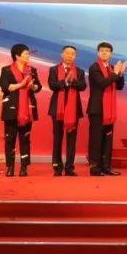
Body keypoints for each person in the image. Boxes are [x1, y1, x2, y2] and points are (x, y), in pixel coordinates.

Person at [0, 43, 41, 177]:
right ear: (17, 55)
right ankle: (10, 167)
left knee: (25, 139)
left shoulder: (32, 70)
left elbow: (38, 87)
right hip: (11, 109)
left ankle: (24, 167)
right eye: (26, 54)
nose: (28, 56)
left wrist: (32, 86)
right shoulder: (6, 70)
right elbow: (5, 87)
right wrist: (21, 85)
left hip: (27, 108)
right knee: (10, 139)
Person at [87, 42, 127, 176]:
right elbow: (102, 83)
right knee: (96, 139)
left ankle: (106, 167)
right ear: (98, 53)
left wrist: (120, 74)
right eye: (102, 50)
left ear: (111, 54)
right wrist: (115, 73)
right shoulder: (94, 67)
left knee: (107, 139)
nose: (105, 52)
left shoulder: (111, 68)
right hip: (97, 109)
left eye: (107, 51)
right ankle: (95, 168)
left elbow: (119, 86)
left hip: (109, 110)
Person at [47, 45, 86, 176]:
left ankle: (69, 168)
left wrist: (72, 81)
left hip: (73, 109)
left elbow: (83, 86)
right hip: (57, 109)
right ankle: (57, 167)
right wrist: (65, 82)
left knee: (71, 140)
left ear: (75, 56)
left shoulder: (79, 71)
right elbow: (52, 85)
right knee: (57, 138)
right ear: (62, 54)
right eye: (67, 53)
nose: (70, 56)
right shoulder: (53, 69)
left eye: (73, 54)